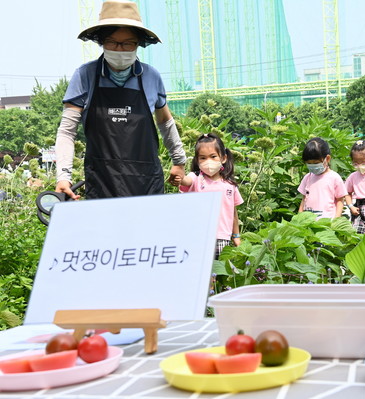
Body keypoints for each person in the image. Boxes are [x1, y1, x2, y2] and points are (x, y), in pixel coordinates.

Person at [54, 0, 186, 199]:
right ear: (101, 42)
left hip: (146, 181)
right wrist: (63, 176)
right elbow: (67, 131)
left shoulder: (151, 77)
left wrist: (179, 161)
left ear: (138, 44)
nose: (120, 49)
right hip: (102, 182)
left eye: (127, 43)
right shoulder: (85, 76)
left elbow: (165, 122)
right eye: (113, 42)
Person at [174, 134, 243, 259]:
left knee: (219, 272)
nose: (208, 162)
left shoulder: (230, 185)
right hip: (199, 237)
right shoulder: (196, 178)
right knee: (203, 274)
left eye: (213, 157)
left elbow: (233, 213)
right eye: (203, 158)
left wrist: (236, 236)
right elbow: (186, 181)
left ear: (223, 158)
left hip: (222, 237)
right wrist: (179, 177)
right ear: (197, 160)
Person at [298, 138, 347, 219]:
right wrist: (299, 218)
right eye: (309, 163)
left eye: (316, 163)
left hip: (327, 221)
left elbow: (340, 201)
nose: (313, 166)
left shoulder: (334, 178)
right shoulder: (307, 177)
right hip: (308, 221)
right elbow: (303, 200)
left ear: (327, 159)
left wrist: (336, 219)